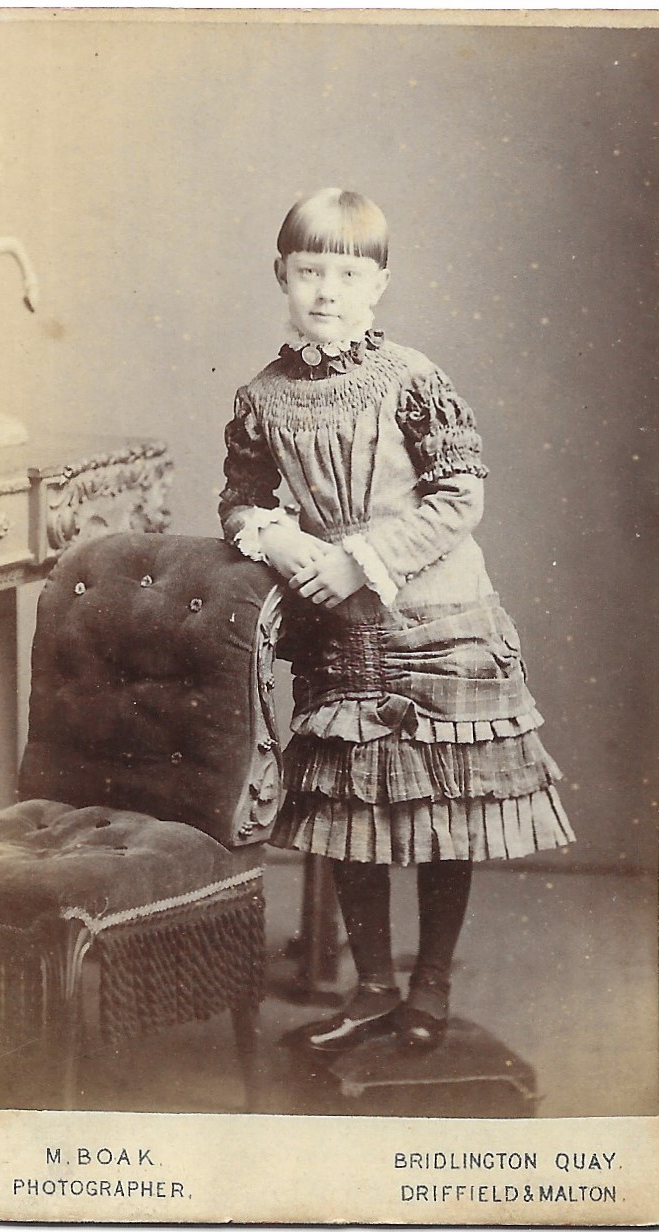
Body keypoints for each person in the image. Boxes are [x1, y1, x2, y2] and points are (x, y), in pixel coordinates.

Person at [218, 187, 574, 1052]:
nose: (327, 291)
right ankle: (373, 986)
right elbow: (241, 500)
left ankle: (431, 985)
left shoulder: (413, 378)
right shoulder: (261, 397)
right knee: (349, 812)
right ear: (281, 275)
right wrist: (280, 540)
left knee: (445, 807)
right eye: (310, 271)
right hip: (341, 637)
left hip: (439, 625)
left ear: (378, 284)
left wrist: (359, 558)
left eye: (348, 274)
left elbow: (459, 496)